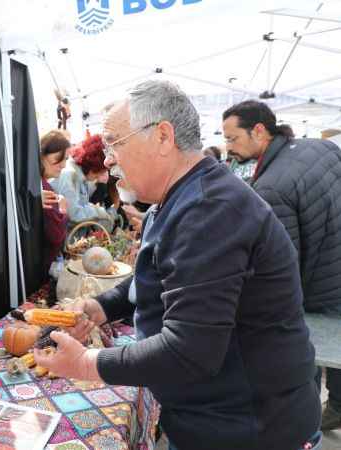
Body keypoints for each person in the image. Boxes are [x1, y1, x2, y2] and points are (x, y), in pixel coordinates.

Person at [35, 80, 321, 450]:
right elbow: (155, 277)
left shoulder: (210, 211)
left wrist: (89, 363)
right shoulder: (178, 198)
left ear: (163, 137)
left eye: (114, 144)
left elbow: (191, 351)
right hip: (218, 418)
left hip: (250, 428)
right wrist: (100, 307)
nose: (108, 159)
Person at [223, 100, 341, 431]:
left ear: (258, 131)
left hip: (320, 289)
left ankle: (307, 425)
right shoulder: (321, 147)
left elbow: (282, 269)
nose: (230, 149)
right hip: (335, 268)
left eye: (232, 139)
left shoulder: (271, 187)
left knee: (310, 357)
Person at [51, 133, 119, 231]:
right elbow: (74, 214)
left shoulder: (80, 177)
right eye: (103, 171)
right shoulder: (69, 175)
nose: (100, 176)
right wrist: (99, 211)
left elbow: (81, 206)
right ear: (96, 166)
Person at [38, 130, 70, 280]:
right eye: (59, 158)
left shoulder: (38, 184)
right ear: (43, 155)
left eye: (66, 159)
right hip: (40, 267)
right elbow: (56, 236)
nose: (63, 165)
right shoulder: (44, 188)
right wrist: (63, 210)